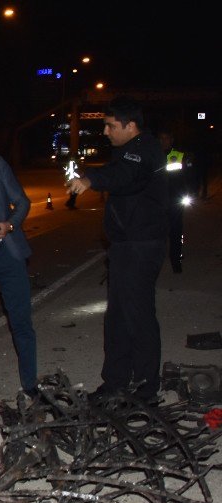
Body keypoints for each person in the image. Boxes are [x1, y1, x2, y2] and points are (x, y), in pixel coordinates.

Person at [66, 96, 169, 401]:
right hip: (127, 246)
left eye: (111, 126)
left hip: (140, 245)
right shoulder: (128, 151)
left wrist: (90, 179)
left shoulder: (144, 150)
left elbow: (124, 177)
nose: (107, 132)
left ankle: (146, 386)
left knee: (137, 316)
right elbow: (121, 173)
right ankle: (116, 383)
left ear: (130, 125)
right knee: (118, 318)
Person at [0, 155, 36, 399]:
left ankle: (31, 387)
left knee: (21, 322)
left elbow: (22, 202)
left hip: (7, 255)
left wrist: (9, 224)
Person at [158, 130, 192, 273]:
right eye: (161, 138)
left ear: (171, 140)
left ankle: (176, 260)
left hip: (175, 200)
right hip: (157, 201)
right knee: (157, 232)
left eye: (166, 138)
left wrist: (188, 193)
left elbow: (187, 177)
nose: (164, 141)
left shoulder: (179, 156)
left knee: (176, 231)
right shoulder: (153, 155)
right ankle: (155, 261)